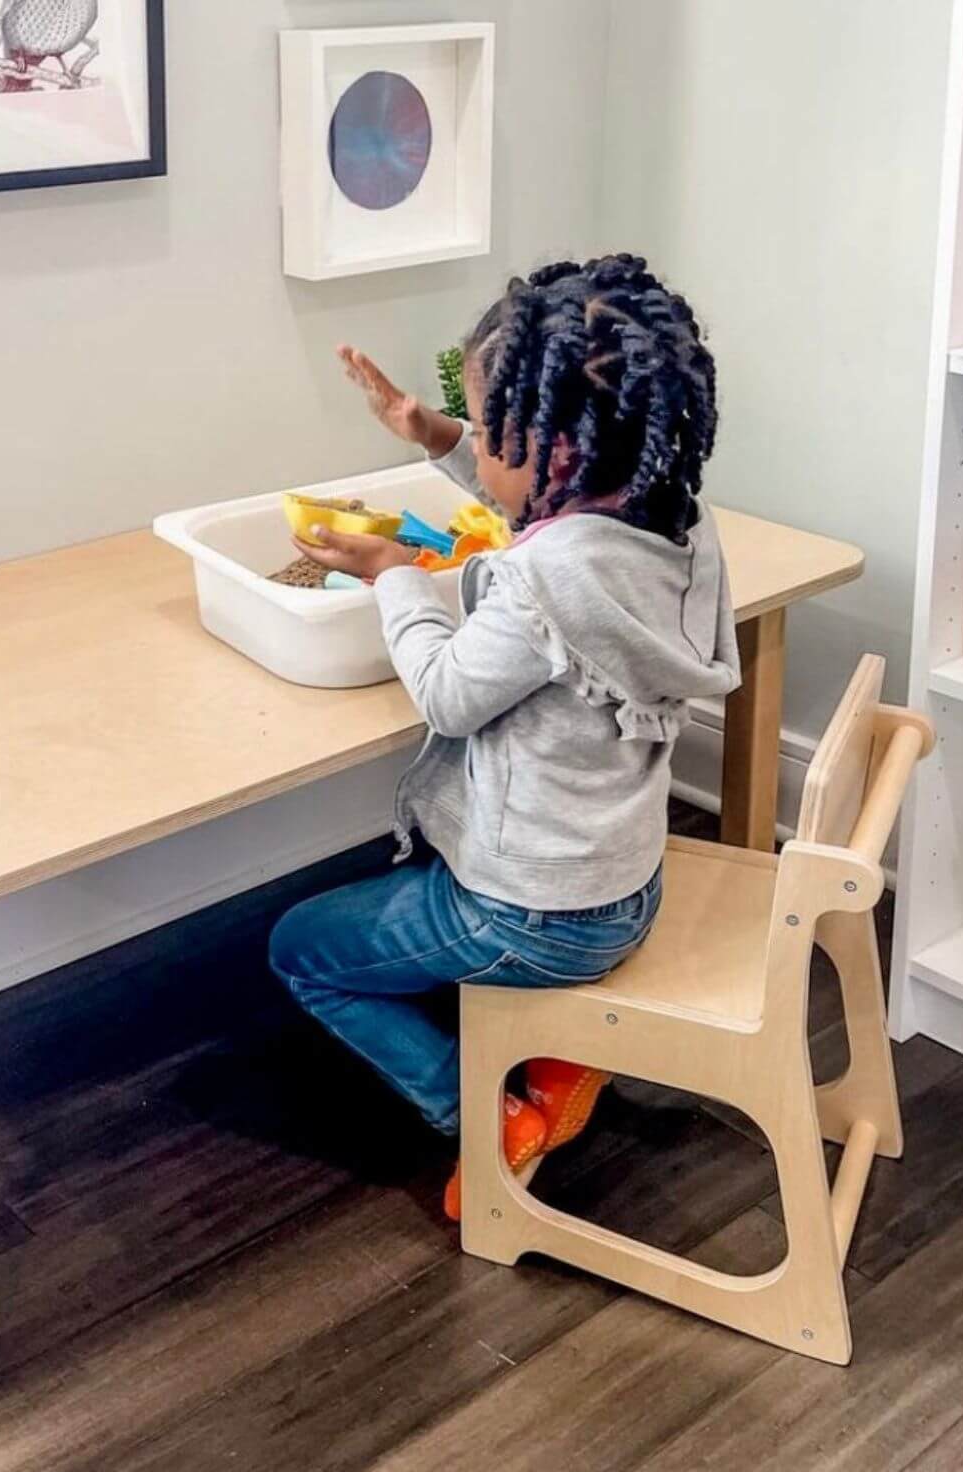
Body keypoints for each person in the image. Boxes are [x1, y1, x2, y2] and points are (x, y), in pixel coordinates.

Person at [269, 255, 741, 1220]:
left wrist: (395, 574)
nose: (478, 450)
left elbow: (444, 693)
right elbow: (541, 515)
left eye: (489, 431)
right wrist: (432, 435)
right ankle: (562, 1050)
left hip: (532, 915)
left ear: (553, 448)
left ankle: (486, 1113)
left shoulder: (541, 582)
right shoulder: (676, 529)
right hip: (625, 882)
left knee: (298, 948)